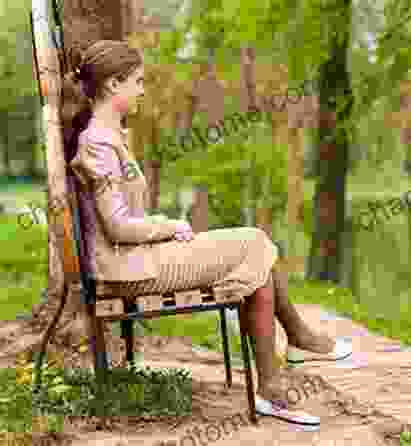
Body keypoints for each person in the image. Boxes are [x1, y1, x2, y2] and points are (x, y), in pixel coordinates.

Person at [60, 40, 352, 425]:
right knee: (254, 244)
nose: (143, 90)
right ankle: (291, 351)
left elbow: (121, 216)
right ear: (113, 85)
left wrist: (160, 228)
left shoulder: (111, 137)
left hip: (137, 260)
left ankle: (278, 379)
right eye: (137, 82)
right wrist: (167, 227)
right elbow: (116, 226)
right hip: (126, 271)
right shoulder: (98, 143)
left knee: (255, 250)